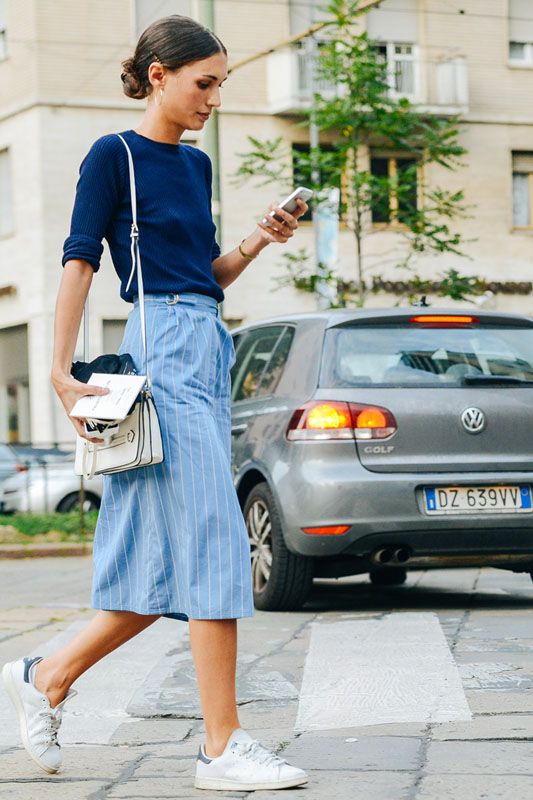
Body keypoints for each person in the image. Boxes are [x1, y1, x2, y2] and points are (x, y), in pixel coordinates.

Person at [1, 14, 310, 793]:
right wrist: (63, 374)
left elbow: (204, 272)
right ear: (158, 74)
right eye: (203, 82)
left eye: (220, 84)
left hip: (205, 340)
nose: (212, 97)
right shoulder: (116, 155)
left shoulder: (195, 167)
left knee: (154, 566)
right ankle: (221, 746)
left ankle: (44, 676)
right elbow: (78, 264)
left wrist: (257, 242)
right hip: (160, 347)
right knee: (213, 543)